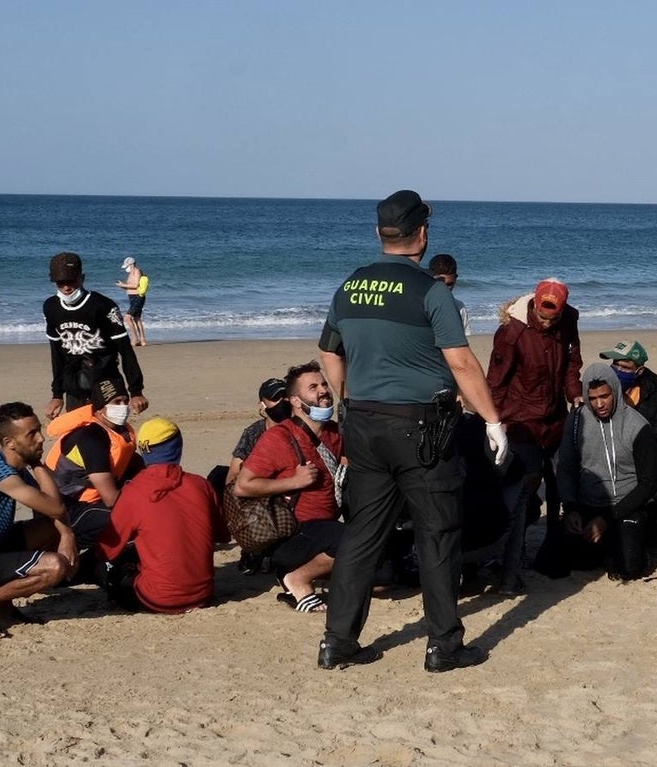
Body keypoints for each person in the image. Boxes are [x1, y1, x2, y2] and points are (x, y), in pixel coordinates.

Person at [317, 189, 508, 672]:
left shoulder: (351, 286)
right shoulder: (431, 291)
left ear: (381, 234)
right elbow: (462, 363)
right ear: (422, 233)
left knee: (363, 532)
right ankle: (444, 645)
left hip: (362, 421)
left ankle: (338, 641)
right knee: (438, 533)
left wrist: (348, 401)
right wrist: (492, 421)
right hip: (421, 429)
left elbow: (328, 354)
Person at [487, 277, 582, 574]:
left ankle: (554, 546)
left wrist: (575, 394)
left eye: (553, 318)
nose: (547, 323)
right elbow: (497, 381)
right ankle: (512, 552)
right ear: (534, 307)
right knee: (525, 486)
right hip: (520, 420)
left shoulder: (569, 320)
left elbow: (571, 363)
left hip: (554, 418)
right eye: (542, 317)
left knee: (559, 482)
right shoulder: (511, 333)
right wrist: (492, 420)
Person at [235, 362, 344, 614]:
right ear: (295, 401)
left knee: (386, 573)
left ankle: (315, 571)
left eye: (324, 384)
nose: (323, 391)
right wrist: (293, 482)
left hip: (325, 530)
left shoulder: (335, 433)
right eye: (313, 387)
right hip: (291, 533)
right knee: (350, 541)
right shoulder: (279, 437)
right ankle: (298, 579)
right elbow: (242, 485)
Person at [96, 418, 230, 613]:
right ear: (178, 446)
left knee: (109, 568)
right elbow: (223, 536)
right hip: (203, 595)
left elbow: (108, 549)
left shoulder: (134, 491)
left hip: (157, 600)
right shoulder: (202, 485)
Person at [556, 364, 657, 581]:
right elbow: (565, 468)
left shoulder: (638, 426)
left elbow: (648, 482)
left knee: (629, 568)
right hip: (588, 504)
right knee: (557, 562)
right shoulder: (575, 422)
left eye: (605, 396)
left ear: (615, 391)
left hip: (627, 506)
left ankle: (645, 538)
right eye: (592, 398)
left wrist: (607, 519)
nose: (599, 404)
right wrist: (571, 507)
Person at [0, 403, 76, 637]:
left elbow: (53, 512)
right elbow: (56, 506)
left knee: (51, 529)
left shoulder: (12, 464)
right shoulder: (1, 474)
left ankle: (0, 603)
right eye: (31, 434)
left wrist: (67, 535)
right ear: (10, 443)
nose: (40, 439)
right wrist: (37, 463)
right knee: (54, 566)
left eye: (39, 430)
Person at [43, 251, 148, 419]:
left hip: (107, 384)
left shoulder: (104, 306)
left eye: (71, 281)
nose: (66, 287)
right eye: (60, 282)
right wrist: (57, 395)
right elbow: (57, 354)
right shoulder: (51, 308)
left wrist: (136, 391)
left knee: (113, 438)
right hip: (75, 388)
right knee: (80, 437)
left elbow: (125, 350)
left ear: (82, 278)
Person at [44, 375, 140, 549]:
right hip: (67, 509)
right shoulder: (91, 438)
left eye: (125, 401)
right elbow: (111, 498)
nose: (123, 407)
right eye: (116, 402)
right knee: (131, 520)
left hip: (92, 500)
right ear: (99, 408)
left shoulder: (120, 432)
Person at [599, 340, 657, 472]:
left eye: (625, 368)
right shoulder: (601, 389)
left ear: (639, 371)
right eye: (615, 365)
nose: (618, 371)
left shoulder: (656, 396)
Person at [226, 377, 291, 487]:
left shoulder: (300, 427)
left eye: (284, 397)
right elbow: (233, 476)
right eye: (275, 398)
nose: (281, 402)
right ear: (262, 405)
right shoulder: (254, 433)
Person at [429, 253, 471, 335]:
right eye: (440, 284)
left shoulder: (459, 307)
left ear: (455, 280)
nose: (444, 289)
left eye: (449, 284)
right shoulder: (420, 306)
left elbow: (466, 339)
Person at [115, 256, 150, 347]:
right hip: (132, 298)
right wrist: (122, 286)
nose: (126, 268)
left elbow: (135, 285)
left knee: (127, 318)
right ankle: (142, 340)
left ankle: (135, 339)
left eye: (127, 266)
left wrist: (123, 284)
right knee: (136, 318)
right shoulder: (131, 273)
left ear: (131, 264)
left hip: (138, 297)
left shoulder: (136, 271)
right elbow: (130, 287)